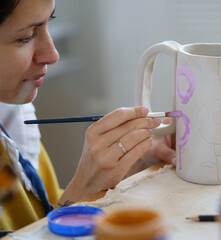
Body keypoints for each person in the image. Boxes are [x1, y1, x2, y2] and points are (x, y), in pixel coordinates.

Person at [0, 0, 176, 233]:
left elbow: (41, 214)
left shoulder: (12, 113)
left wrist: (126, 163)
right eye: (26, 36)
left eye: (48, 23)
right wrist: (81, 192)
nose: (52, 55)